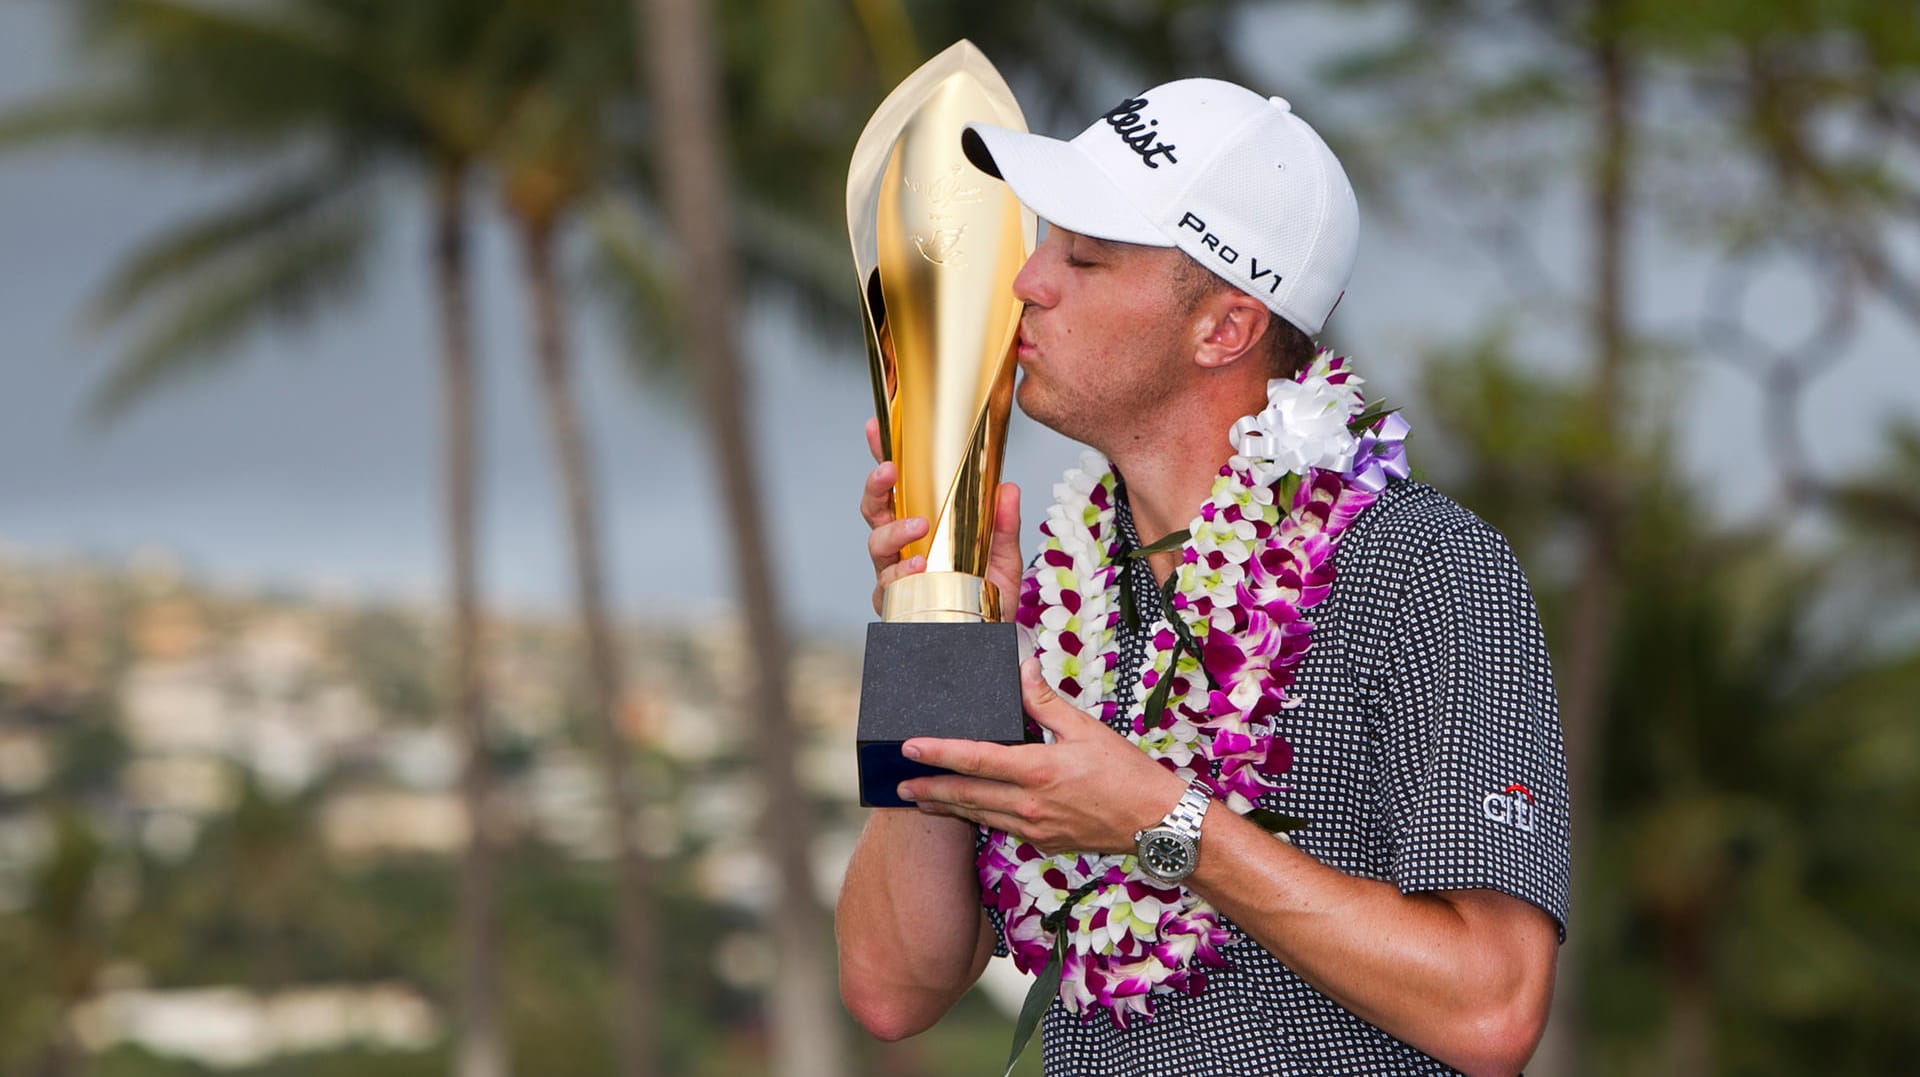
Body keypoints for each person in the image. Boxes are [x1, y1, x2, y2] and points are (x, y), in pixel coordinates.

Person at [835, 78, 1570, 1077]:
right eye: (1044, 243)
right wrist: (942, 617)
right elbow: (892, 985)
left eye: (1083, 259)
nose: (1026, 282)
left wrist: (1161, 822)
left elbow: (1493, 1007)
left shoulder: (1422, 565)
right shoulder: (1059, 594)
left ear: (1222, 328)